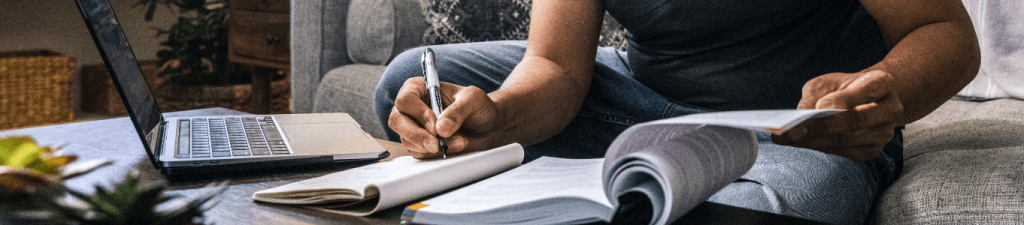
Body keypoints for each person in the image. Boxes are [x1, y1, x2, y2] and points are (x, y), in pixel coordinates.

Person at [373, 0, 980, 224]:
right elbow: (556, 66)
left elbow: (945, 31)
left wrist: (879, 91)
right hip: (636, 100)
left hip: (797, 132)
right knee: (412, 80)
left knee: (761, 212)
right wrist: (497, 115)